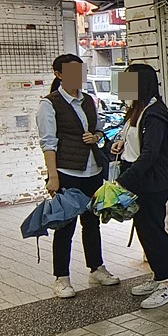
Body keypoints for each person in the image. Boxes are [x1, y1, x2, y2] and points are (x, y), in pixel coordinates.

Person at [37, 54, 120, 298]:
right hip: (67, 172)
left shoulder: (89, 100)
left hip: (92, 170)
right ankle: (61, 277)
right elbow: (48, 143)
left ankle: (96, 268)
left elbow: (98, 129)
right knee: (65, 226)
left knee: (92, 222)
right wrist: (53, 177)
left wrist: (96, 137)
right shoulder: (49, 104)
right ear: (59, 74)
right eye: (72, 72)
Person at [111, 64, 168, 309]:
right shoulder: (136, 110)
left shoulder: (155, 112)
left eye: (128, 82)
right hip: (137, 180)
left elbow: (149, 154)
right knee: (143, 230)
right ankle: (158, 277)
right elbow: (132, 141)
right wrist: (118, 145)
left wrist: (122, 182)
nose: (123, 87)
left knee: (154, 231)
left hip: (151, 183)